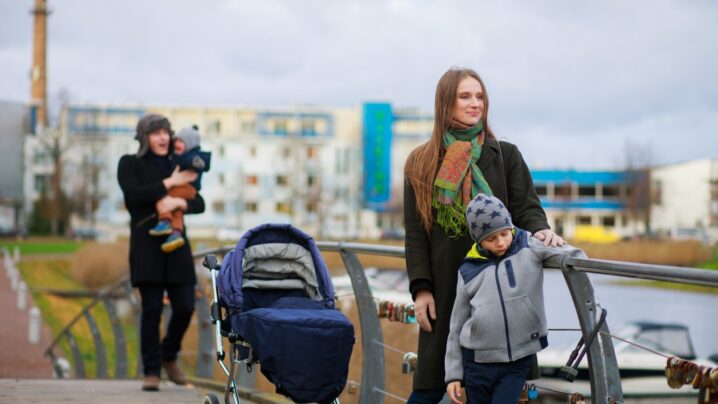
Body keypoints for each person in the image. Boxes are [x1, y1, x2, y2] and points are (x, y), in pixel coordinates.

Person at [403, 67, 564, 403]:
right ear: (445, 103)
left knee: (492, 392)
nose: (475, 103)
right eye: (465, 96)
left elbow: (526, 209)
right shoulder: (421, 162)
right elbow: (416, 234)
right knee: (429, 390)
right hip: (447, 288)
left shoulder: (505, 155)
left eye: (479, 96)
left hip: (499, 292)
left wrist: (541, 230)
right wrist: (421, 289)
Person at [445, 194, 585, 404]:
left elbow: (575, 257)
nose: (500, 242)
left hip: (517, 361)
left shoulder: (529, 246)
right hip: (477, 362)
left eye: (504, 233)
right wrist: (454, 375)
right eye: (491, 239)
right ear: (478, 239)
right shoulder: (468, 269)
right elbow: (456, 325)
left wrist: (565, 246)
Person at [117, 114, 205, 391]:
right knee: (152, 309)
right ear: (144, 137)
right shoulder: (129, 163)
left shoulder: (177, 162)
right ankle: (152, 371)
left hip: (177, 245)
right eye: (156, 133)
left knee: (185, 306)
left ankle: (169, 355)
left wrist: (179, 199)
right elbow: (134, 196)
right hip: (147, 245)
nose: (163, 137)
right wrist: (170, 183)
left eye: (165, 132)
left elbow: (199, 202)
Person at [148, 125, 211, 253]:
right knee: (177, 210)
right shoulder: (177, 155)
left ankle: (165, 220)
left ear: (190, 144)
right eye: (176, 140)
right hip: (183, 189)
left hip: (186, 187)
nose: (177, 144)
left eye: (181, 142)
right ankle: (176, 233)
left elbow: (196, 161)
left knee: (162, 199)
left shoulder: (191, 155)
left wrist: (195, 162)